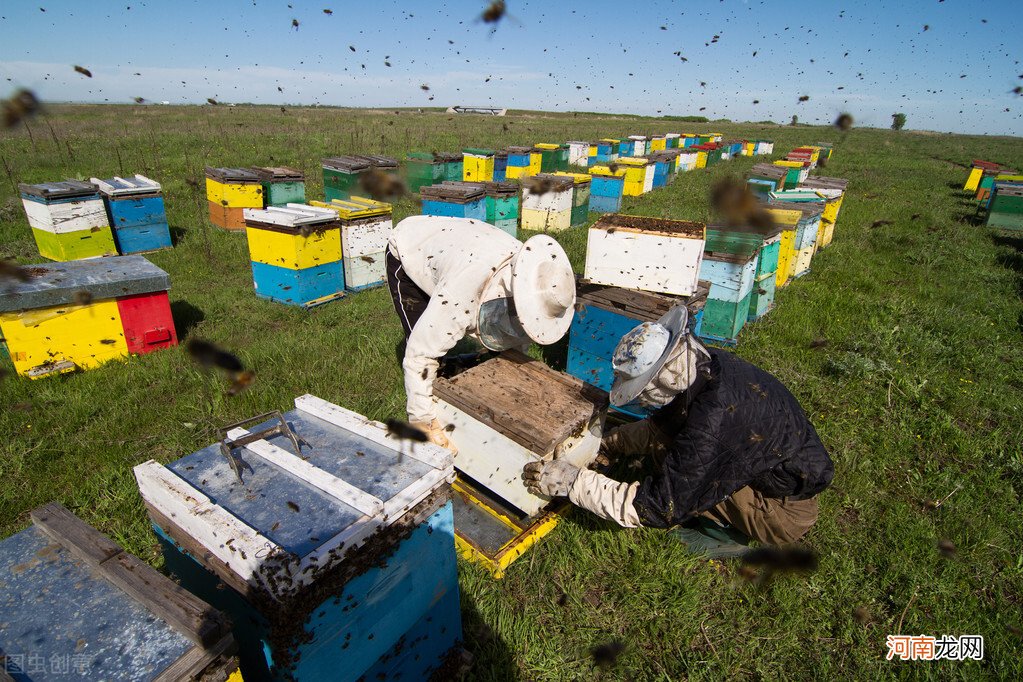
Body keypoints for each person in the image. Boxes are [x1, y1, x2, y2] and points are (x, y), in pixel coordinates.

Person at [523, 305, 833, 551]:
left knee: (681, 479)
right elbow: (662, 427)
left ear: (666, 376)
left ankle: (726, 536)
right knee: (668, 446)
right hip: (763, 457)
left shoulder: (710, 428)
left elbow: (657, 507)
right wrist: (610, 443)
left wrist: (574, 482)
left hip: (782, 513)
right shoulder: (709, 366)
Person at [387, 215, 576, 450]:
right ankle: (429, 407)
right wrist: (422, 422)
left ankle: (452, 374)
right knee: (423, 338)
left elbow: (522, 333)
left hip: (466, 244)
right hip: (411, 248)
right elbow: (419, 355)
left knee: (445, 337)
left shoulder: (537, 278)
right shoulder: (460, 294)